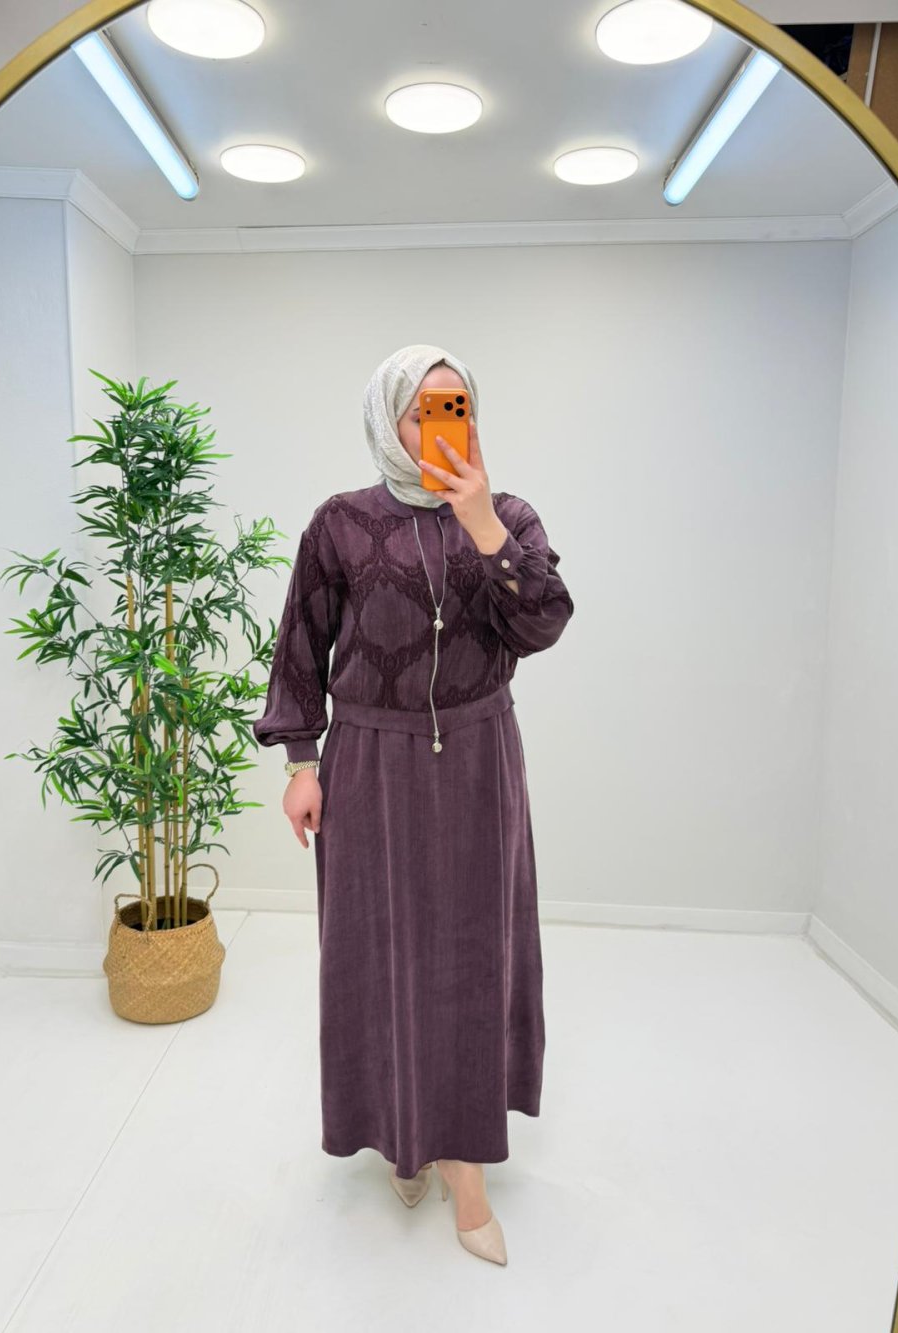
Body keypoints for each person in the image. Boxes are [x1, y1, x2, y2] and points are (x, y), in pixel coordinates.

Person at [253, 343, 575, 1265]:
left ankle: (465, 1171)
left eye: (458, 405)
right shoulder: (341, 523)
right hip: (369, 764)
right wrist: (301, 762)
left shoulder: (510, 515)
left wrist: (482, 523)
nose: (444, 424)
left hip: (477, 758)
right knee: (379, 950)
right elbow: (301, 643)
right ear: (388, 419)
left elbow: (544, 621)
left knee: (472, 959)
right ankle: (403, 1134)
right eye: (424, 408)